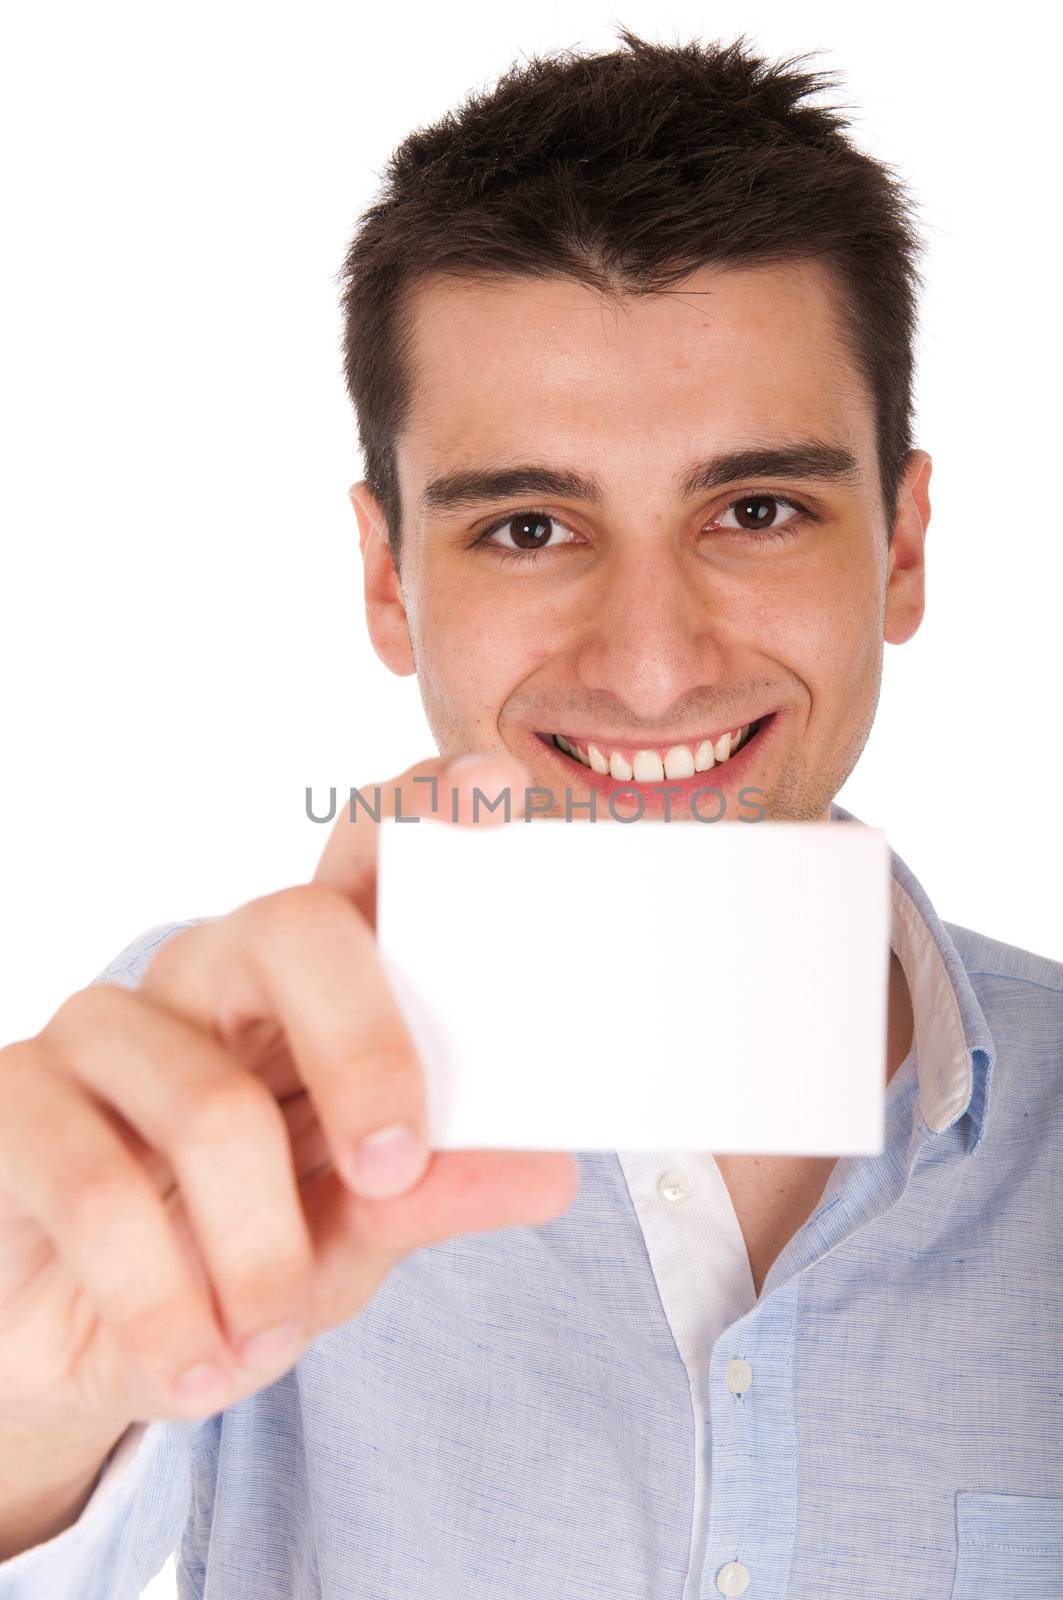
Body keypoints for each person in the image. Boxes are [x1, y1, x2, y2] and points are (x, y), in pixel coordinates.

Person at [0, 28, 1060, 1600]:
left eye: (756, 510)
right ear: (388, 580)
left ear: (902, 549)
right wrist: (28, 1415)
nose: (650, 665)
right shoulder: (209, 1095)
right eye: (530, 524)